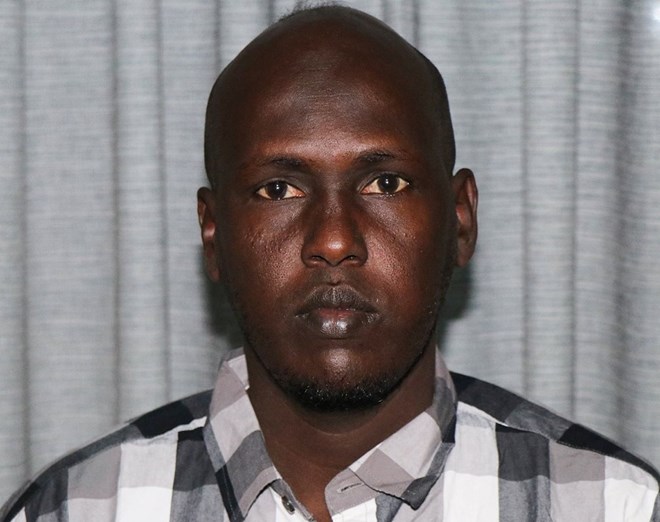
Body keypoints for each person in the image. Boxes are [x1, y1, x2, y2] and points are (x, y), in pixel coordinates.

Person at [2, 5, 658, 522]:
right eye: (278, 190)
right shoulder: (75, 508)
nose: (335, 241)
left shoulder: (611, 506)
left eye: (385, 184)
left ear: (460, 220)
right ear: (213, 235)